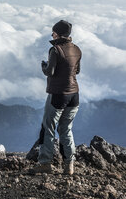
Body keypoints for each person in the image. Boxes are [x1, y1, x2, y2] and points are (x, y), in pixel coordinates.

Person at [34, 20, 82, 175]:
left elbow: (50, 72)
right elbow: (77, 71)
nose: (52, 34)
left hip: (58, 95)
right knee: (66, 129)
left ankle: (45, 163)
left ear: (58, 33)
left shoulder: (55, 50)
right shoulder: (76, 49)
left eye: (53, 32)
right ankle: (69, 165)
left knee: (48, 127)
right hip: (74, 95)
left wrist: (43, 66)